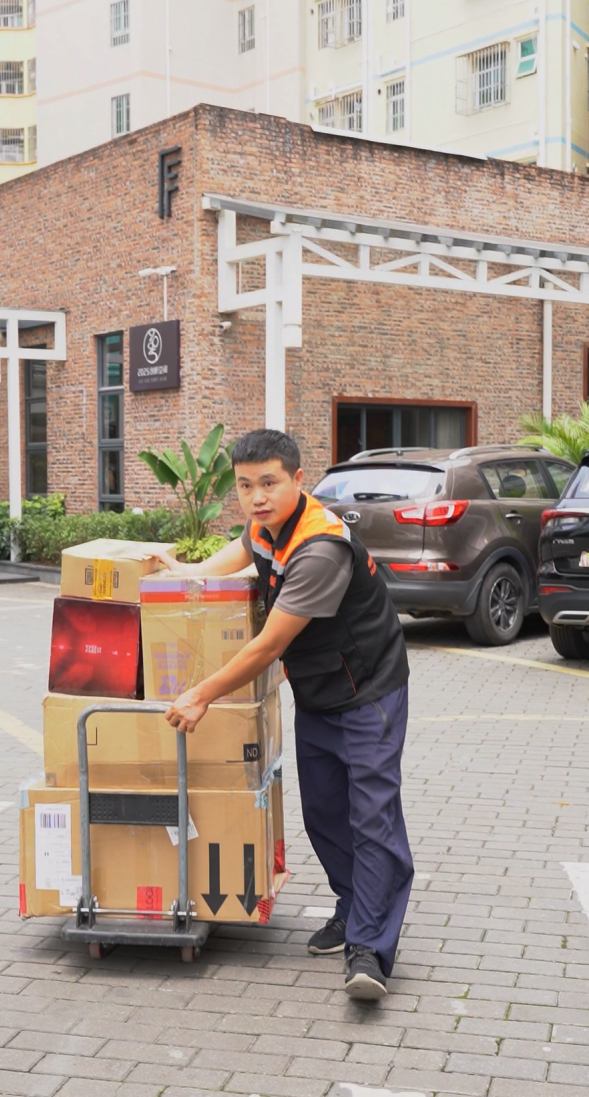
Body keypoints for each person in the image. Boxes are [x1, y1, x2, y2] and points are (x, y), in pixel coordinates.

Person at [158, 429, 413, 1001]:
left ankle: (370, 950)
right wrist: (178, 573)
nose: (256, 497)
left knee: (372, 817)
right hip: (320, 693)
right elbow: (229, 562)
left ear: (299, 479)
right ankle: (354, 906)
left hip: (369, 692)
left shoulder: (320, 547)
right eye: (245, 486)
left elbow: (269, 645)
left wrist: (201, 694)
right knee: (324, 813)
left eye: (269, 483)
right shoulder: (264, 527)